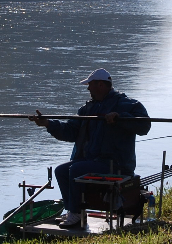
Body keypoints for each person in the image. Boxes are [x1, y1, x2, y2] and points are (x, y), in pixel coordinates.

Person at [29, 69, 151, 228]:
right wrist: (48, 124)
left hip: (116, 164)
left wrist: (120, 118)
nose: (88, 89)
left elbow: (144, 126)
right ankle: (74, 212)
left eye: (90, 85)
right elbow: (71, 131)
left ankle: (76, 213)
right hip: (92, 161)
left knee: (76, 169)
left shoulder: (127, 104)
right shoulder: (87, 109)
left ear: (100, 85)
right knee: (61, 171)